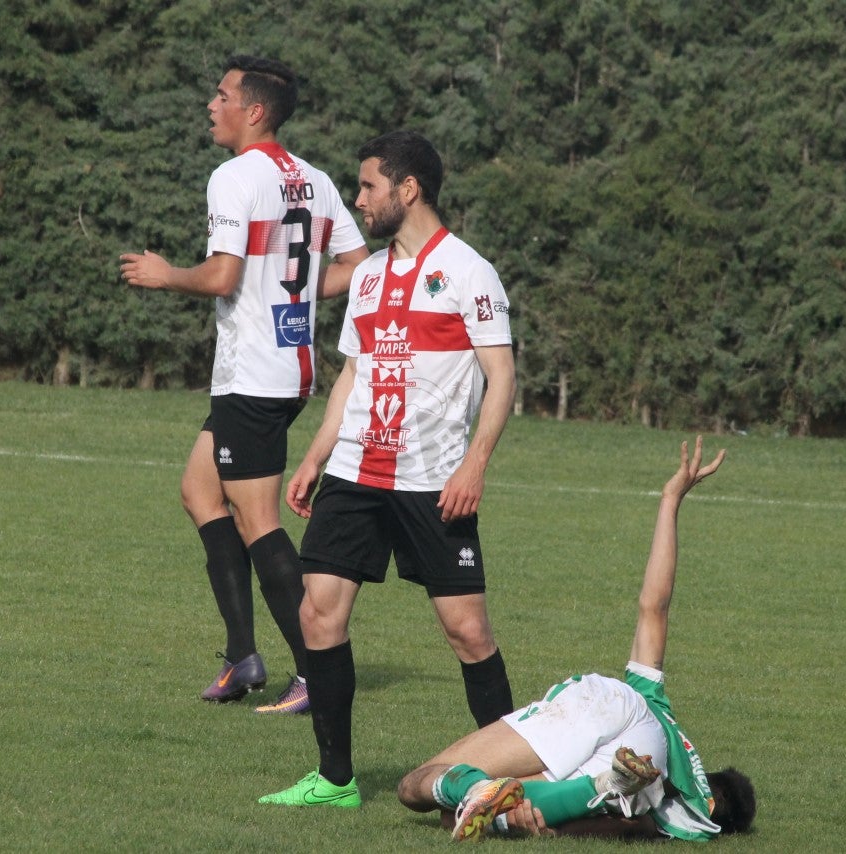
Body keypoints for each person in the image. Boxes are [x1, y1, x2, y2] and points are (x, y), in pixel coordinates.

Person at [259, 130, 516, 808]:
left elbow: (501, 375)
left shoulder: (468, 271)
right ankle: (335, 780)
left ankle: (516, 776)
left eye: (369, 185)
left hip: (434, 481)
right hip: (355, 473)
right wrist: (316, 455)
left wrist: (474, 465)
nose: (359, 198)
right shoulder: (369, 275)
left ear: (409, 189)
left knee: (468, 632)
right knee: (319, 614)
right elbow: (354, 374)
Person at [119, 56, 369, 714]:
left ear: (253, 111)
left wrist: (166, 275)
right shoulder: (315, 180)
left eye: (222, 95)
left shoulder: (233, 177)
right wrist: (294, 292)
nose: (212, 105)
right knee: (199, 492)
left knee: (258, 521)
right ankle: (243, 657)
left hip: (254, 375)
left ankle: (314, 674)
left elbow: (223, 276)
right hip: (286, 371)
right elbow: (359, 264)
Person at [396, 437, 757, 842]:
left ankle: (484, 791)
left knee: (416, 787)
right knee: (453, 814)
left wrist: (670, 500)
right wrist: (554, 828)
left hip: (623, 708)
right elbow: (634, 826)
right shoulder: (698, 815)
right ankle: (598, 789)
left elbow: (653, 608)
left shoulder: (663, 716)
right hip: (640, 764)